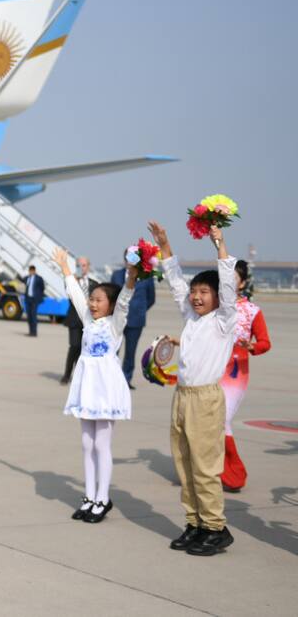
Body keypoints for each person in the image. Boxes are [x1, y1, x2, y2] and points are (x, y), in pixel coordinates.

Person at [147, 220, 238, 556]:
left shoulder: (225, 320)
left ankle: (215, 527)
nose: (197, 297)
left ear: (217, 297)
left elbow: (228, 286)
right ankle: (195, 522)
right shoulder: (192, 319)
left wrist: (220, 245)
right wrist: (164, 245)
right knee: (184, 463)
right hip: (182, 397)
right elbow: (174, 282)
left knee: (204, 466)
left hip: (205, 400)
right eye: (195, 292)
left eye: (204, 292)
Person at [53, 247, 134, 524]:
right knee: (87, 444)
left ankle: (102, 498)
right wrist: (65, 268)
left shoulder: (114, 325)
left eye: (99, 300)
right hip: (87, 387)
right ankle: (88, 497)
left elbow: (124, 301)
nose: (93, 303)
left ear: (110, 305)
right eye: (92, 299)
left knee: (102, 444)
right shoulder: (88, 321)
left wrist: (132, 277)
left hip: (106, 389)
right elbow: (76, 294)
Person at [220, 260, 272, 492]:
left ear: (242, 283)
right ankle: (211, 468)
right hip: (210, 369)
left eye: (233, 278)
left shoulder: (252, 310)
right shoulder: (214, 306)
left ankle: (234, 473)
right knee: (209, 420)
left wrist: (252, 347)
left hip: (235, 372)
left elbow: (264, 342)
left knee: (223, 420)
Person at [111, 261, 156, 388]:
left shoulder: (147, 276)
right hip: (117, 320)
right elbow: (111, 294)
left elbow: (151, 298)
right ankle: (111, 378)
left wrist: (140, 310)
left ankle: (126, 380)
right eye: (129, 259)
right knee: (113, 350)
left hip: (136, 320)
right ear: (125, 260)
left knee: (130, 353)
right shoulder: (117, 275)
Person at [61, 256, 95, 384]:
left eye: (84, 265)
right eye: (79, 265)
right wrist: (73, 281)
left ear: (88, 266)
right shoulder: (72, 282)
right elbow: (68, 290)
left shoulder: (94, 283)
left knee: (84, 349)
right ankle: (67, 374)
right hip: (74, 320)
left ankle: (79, 375)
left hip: (88, 321)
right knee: (74, 346)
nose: (82, 268)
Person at [23, 265, 44, 336]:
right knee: (29, 316)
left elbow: (42, 287)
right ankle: (30, 331)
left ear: (34, 271)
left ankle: (34, 332)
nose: (30, 272)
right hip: (28, 299)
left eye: (32, 271)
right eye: (30, 271)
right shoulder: (27, 278)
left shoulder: (39, 278)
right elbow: (24, 282)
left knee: (33, 315)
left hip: (35, 300)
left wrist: (38, 296)